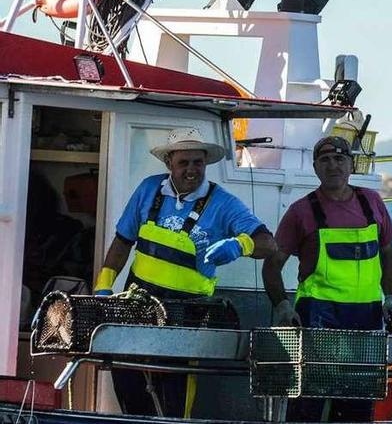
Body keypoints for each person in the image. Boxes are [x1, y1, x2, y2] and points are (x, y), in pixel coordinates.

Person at [92, 127, 277, 418]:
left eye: (197, 162)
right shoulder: (148, 189)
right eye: (184, 163)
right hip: (136, 306)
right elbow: (122, 242)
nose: (192, 170)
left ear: (206, 163)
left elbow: (269, 244)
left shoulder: (224, 203)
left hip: (188, 317)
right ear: (169, 164)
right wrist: (104, 286)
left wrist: (240, 244)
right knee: (128, 384)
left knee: (175, 397)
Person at [262, 135, 392, 422]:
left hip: (367, 317)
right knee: (308, 402)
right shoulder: (301, 211)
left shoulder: (372, 202)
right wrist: (282, 306)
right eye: (325, 160)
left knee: (358, 403)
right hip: (318, 316)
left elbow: (388, 255)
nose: (333, 165)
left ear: (351, 164)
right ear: (315, 167)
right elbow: (272, 266)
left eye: (340, 159)